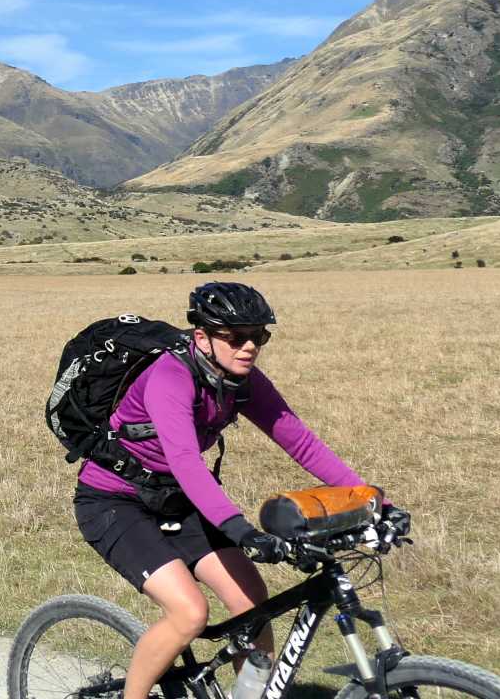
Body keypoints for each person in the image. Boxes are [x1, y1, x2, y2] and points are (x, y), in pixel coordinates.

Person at [73, 282, 376, 699]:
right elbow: (186, 463)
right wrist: (241, 531)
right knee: (189, 613)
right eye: (235, 337)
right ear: (202, 337)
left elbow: (302, 443)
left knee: (254, 606)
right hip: (116, 502)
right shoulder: (169, 376)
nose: (248, 346)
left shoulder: (243, 380)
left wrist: (374, 500)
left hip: (179, 500)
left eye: (259, 336)